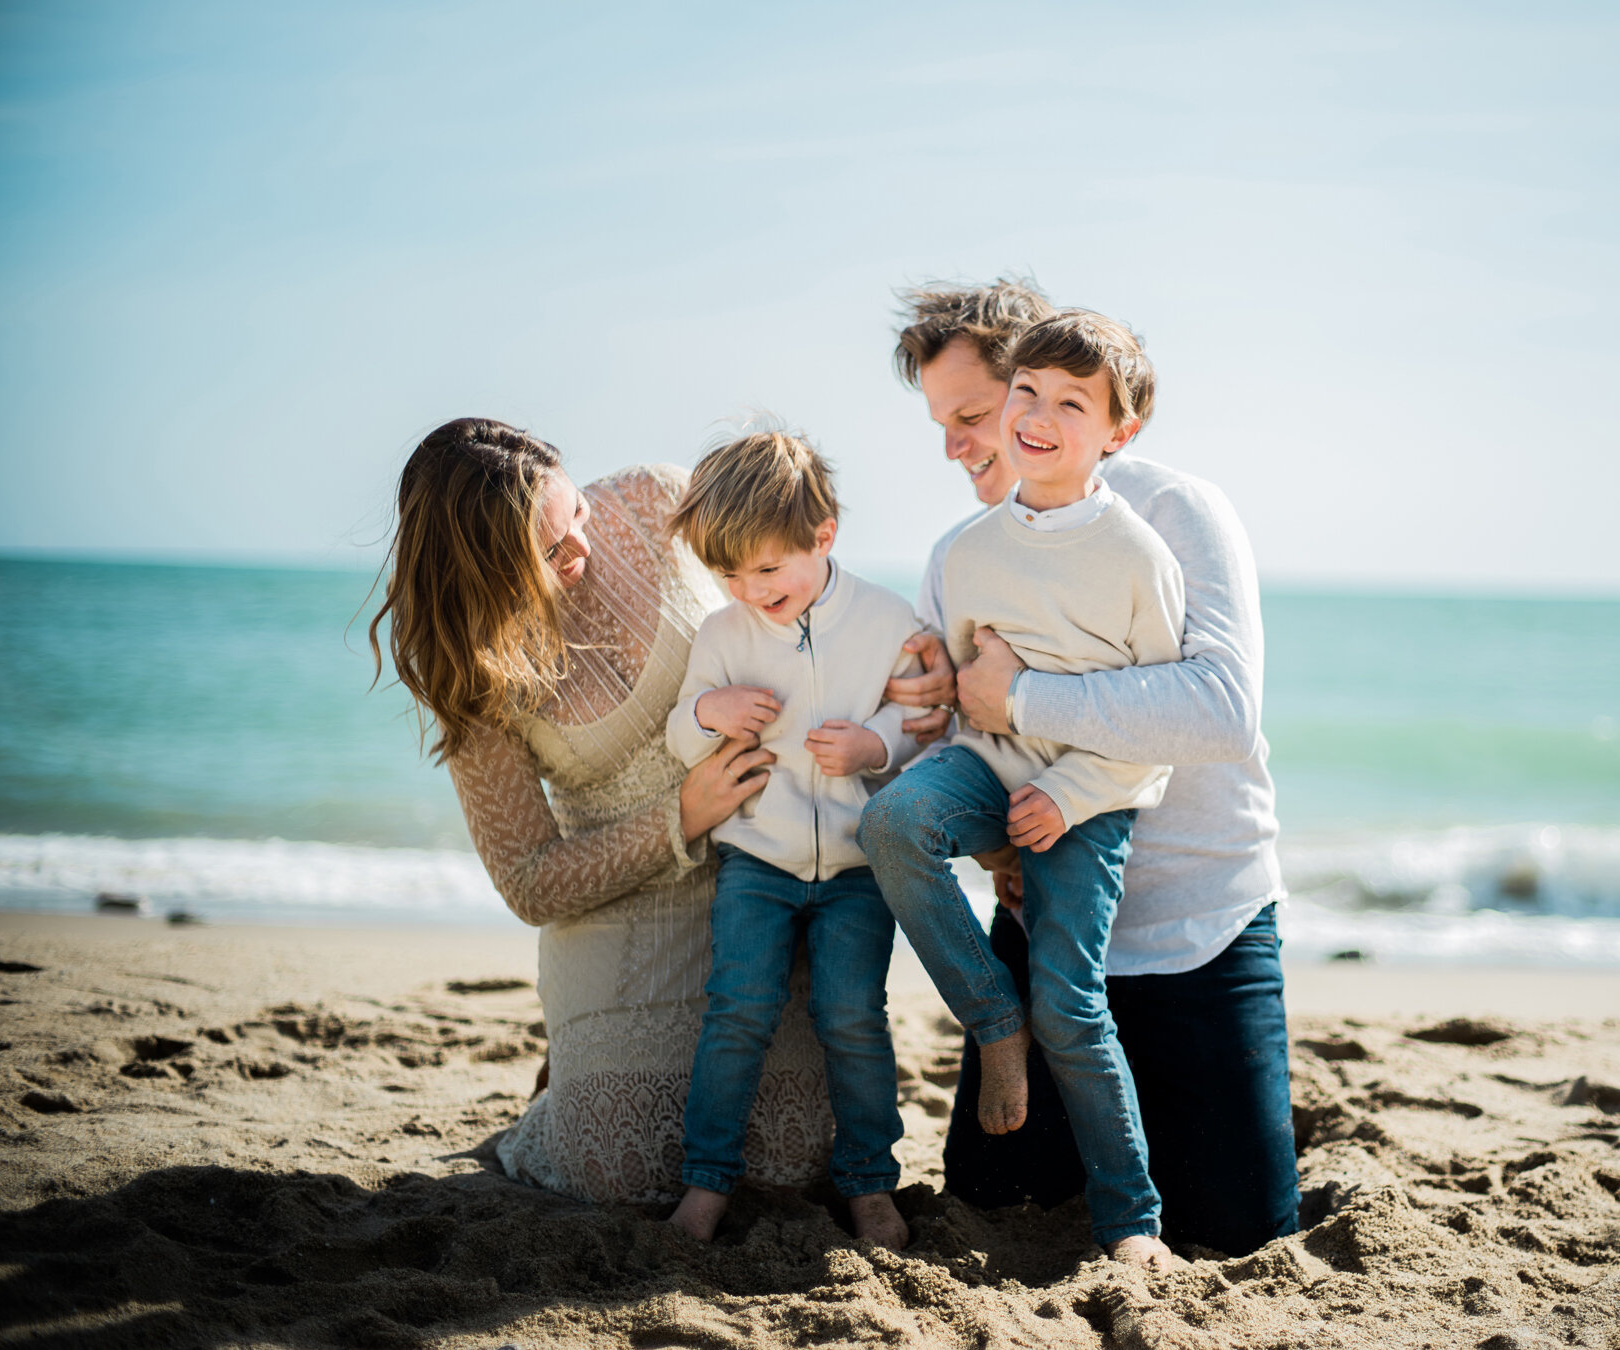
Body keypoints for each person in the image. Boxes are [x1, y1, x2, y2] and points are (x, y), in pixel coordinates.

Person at [885, 279, 1301, 1258]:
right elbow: (965, 740)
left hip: (1198, 930)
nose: (959, 445)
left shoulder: (1174, 514)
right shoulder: (965, 550)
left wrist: (1023, 697)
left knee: (1239, 1232)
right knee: (992, 1202)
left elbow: (1224, 711)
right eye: (945, 424)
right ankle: (1011, 1041)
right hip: (1048, 920)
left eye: (975, 414)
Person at [368, 417, 832, 1205]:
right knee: (616, 1171)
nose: (581, 548)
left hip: (764, 878)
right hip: (625, 912)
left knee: (794, 1159)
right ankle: (569, 1077)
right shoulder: (472, 664)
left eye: (576, 513)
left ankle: (576, 1062)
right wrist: (680, 815)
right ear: (484, 569)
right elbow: (529, 881)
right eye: (547, 553)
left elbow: (794, 588)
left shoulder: (657, 499)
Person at [859, 310, 1184, 1270]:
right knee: (894, 821)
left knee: (1072, 1005)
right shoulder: (966, 549)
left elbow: (1157, 720)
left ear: (1117, 432)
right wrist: (922, 687)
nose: (1038, 417)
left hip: (1090, 797)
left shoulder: (1137, 557)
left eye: (1071, 403)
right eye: (1028, 395)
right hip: (989, 767)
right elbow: (956, 692)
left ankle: (1133, 1222)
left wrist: (1074, 795)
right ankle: (990, 1019)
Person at [661, 429, 925, 1248]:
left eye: (767, 569)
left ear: (824, 536)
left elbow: (923, 716)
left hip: (857, 867)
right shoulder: (725, 633)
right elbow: (679, 730)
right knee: (738, 1012)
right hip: (758, 861)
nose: (747, 589)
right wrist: (711, 713)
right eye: (728, 574)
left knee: (853, 1015)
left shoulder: (887, 618)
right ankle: (705, 1186)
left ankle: (871, 1187)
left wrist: (873, 745)